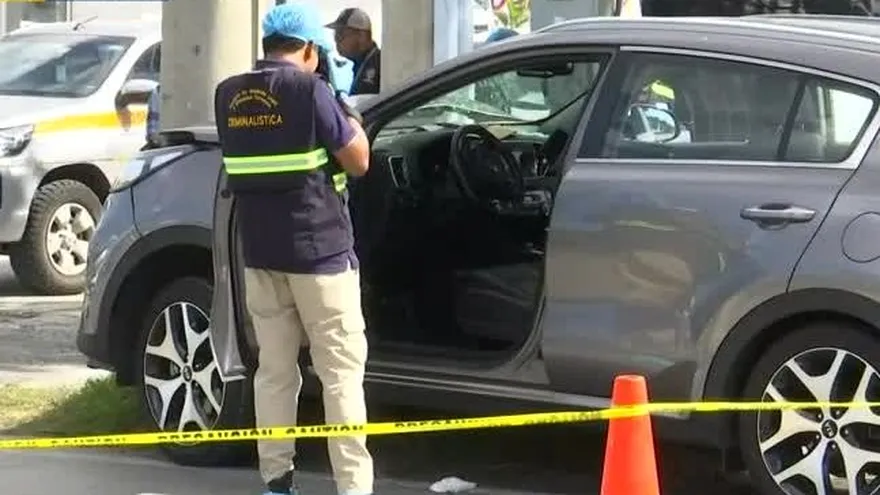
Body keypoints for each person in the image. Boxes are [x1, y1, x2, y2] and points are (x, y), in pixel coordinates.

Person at [212, 2, 374, 495]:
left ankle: (276, 482)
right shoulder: (312, 90)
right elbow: (359, 160)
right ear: (309, 50)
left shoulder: (227, 95)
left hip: (262, 255)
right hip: (321, 255)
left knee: (275, 373)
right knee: (341, 375)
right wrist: (345, 110)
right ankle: (353, 487)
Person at [326, 8, 380, 95]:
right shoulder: (360, 62)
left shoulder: (379, 64)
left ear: (362, 36)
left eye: (341, 35)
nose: (337, 41)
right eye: (335, 35)